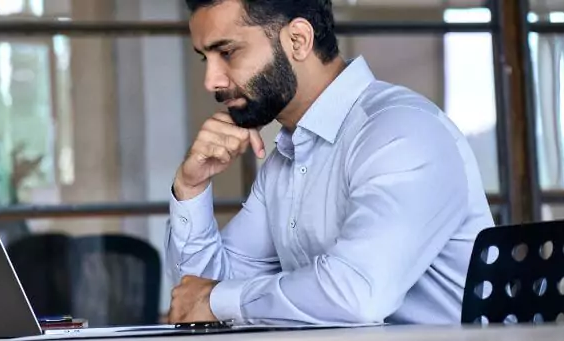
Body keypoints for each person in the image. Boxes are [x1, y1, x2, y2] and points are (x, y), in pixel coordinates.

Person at [166, 0, 494, 326]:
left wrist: (217, 300)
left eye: (227, 52)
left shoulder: (401, 132)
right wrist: (191, 187)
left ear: (298, 40)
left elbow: (356, 295)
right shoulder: (285, 160)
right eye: (204, 58)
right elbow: (197, 300)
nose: (212, 81)